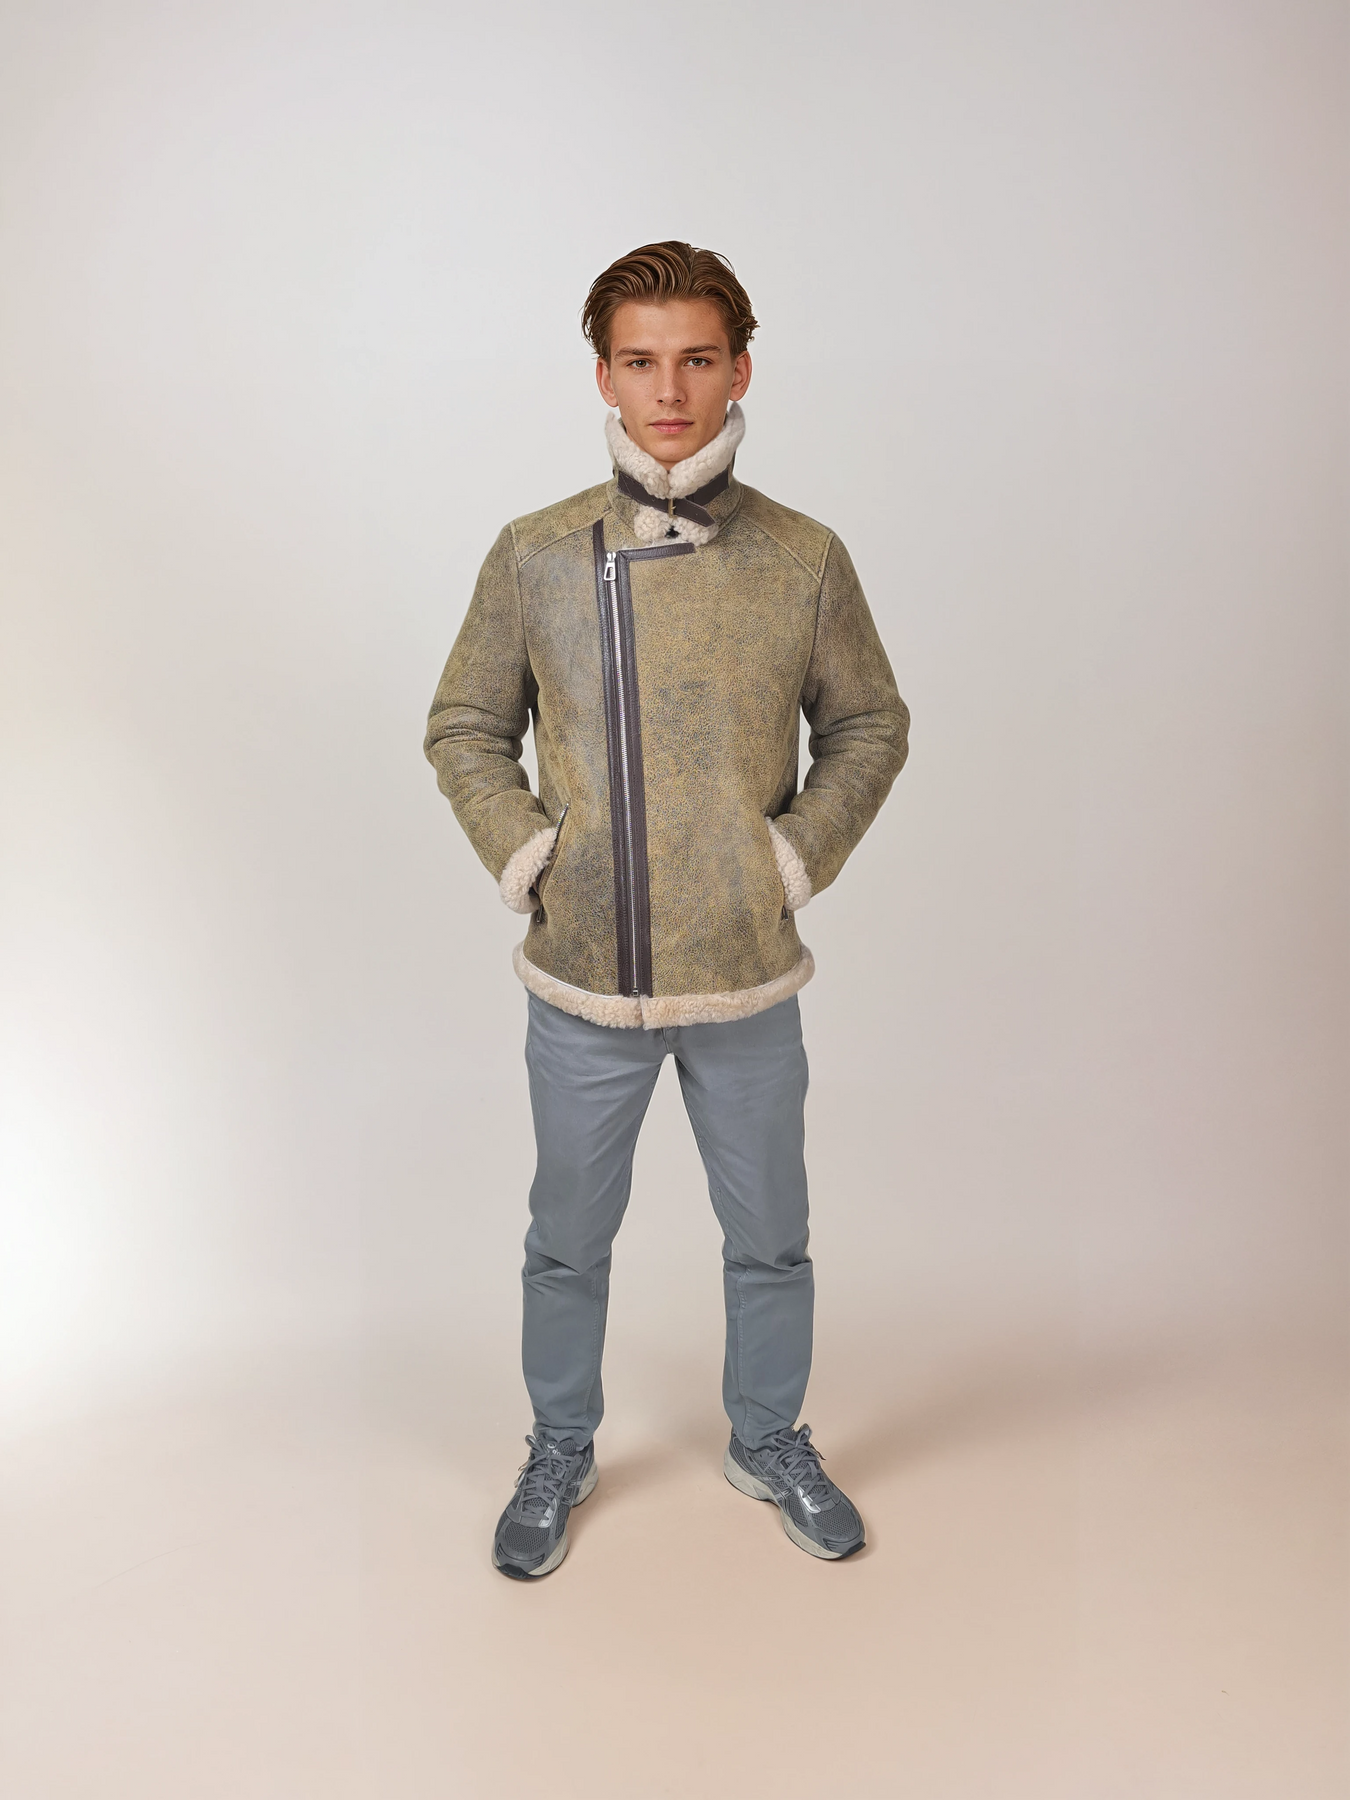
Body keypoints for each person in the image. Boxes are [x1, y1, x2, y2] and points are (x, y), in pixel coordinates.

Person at [425, 241, 909, 1579]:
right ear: (604, 376)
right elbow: (465, 724)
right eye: (641, 362)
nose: (670, 390)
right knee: (566, 1243)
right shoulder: (536, 553)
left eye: (697, 359)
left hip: (744, 969)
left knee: (771, 1241)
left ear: (739, 368)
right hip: (586, 973)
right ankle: (559, 1444)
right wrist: (533, 854)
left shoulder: (803, 558)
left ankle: (768, 1436)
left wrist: (791, 859)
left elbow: (868, 724)